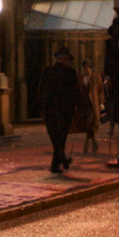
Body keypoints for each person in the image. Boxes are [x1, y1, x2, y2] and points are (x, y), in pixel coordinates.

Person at [38, 46, 81, 174]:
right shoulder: (71, 73)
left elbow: (41, 90)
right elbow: (75, 92)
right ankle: (60, 161)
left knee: (55, 137)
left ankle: (58, 162)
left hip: (50, 109)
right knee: (62, 137)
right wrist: (77, 107)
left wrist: (41, 107)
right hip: (65, 109)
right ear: (67, 59)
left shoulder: (47, 71)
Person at [72, 59, 104, 154]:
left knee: (90, 123)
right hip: (84, 105)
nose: (85, 70)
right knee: (87, 125)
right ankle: (93, 143)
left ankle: (87, 143)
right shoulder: (81, 78)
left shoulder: (96, 77)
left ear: (90, 68)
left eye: (87, 68)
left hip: (93, 105)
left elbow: (100, 91)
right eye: (84, 68)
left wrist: (101, 103)